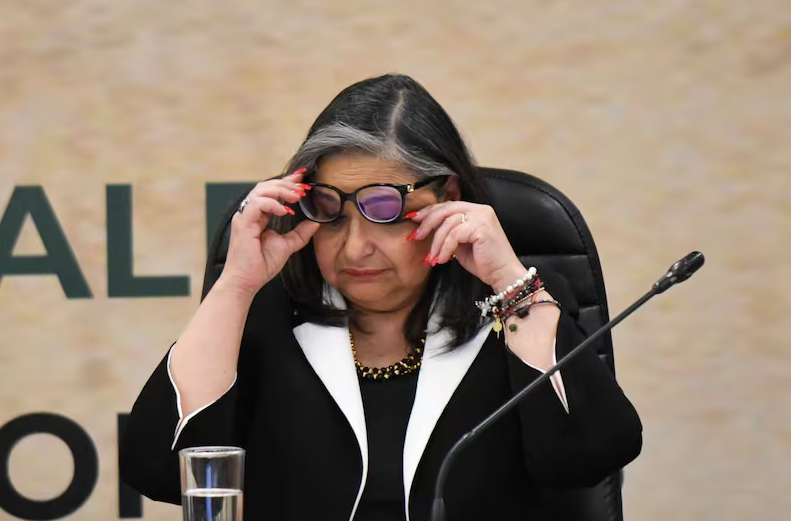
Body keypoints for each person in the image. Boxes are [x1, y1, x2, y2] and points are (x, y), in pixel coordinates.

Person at [120, 74, 642, 521]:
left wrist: (508, 278)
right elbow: (158, 469)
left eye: (385, 210)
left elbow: (589, 456)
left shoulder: (516, 312)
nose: (355, 247)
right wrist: (235, 287)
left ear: (448, 198)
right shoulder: (265, 318)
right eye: (330, 211)